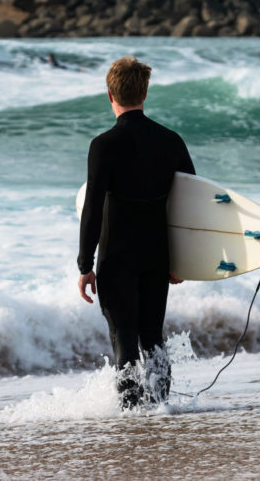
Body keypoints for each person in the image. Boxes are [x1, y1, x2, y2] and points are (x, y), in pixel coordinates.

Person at [77, 56, 195, 409]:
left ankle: (133, 420)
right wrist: (183, 259)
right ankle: (160, 408)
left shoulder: (104, 145)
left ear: (109, 95)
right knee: (152, 338)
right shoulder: (170, 141)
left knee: (124, 340)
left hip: (116, 257)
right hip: (157, 255)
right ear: (145, 92)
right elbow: (190, 204)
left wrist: (85, 265)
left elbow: (92, 208)